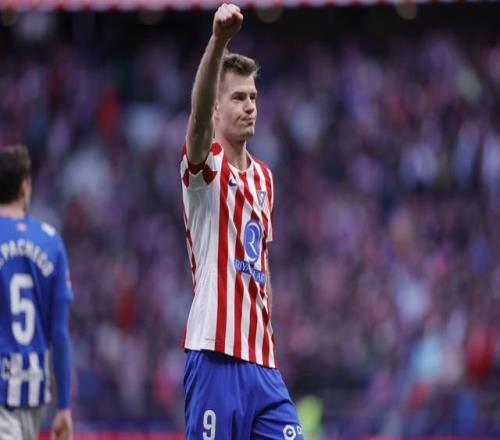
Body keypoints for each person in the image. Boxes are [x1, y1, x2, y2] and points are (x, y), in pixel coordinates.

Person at [180, 4, 303, 439]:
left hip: (263, 366)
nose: (249, 106)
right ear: (216, 109)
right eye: (237, 97)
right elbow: (196, 121)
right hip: (215, 356)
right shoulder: (206, 169)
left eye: (252, 97)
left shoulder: (265, 178)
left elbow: (261, 264)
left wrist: (268, 334)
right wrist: (218, 41)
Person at [0, 144, 73, 440]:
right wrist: (64, 405)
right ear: (24, 187)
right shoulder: (51, 242)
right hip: (35, 390)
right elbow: (60, 334)